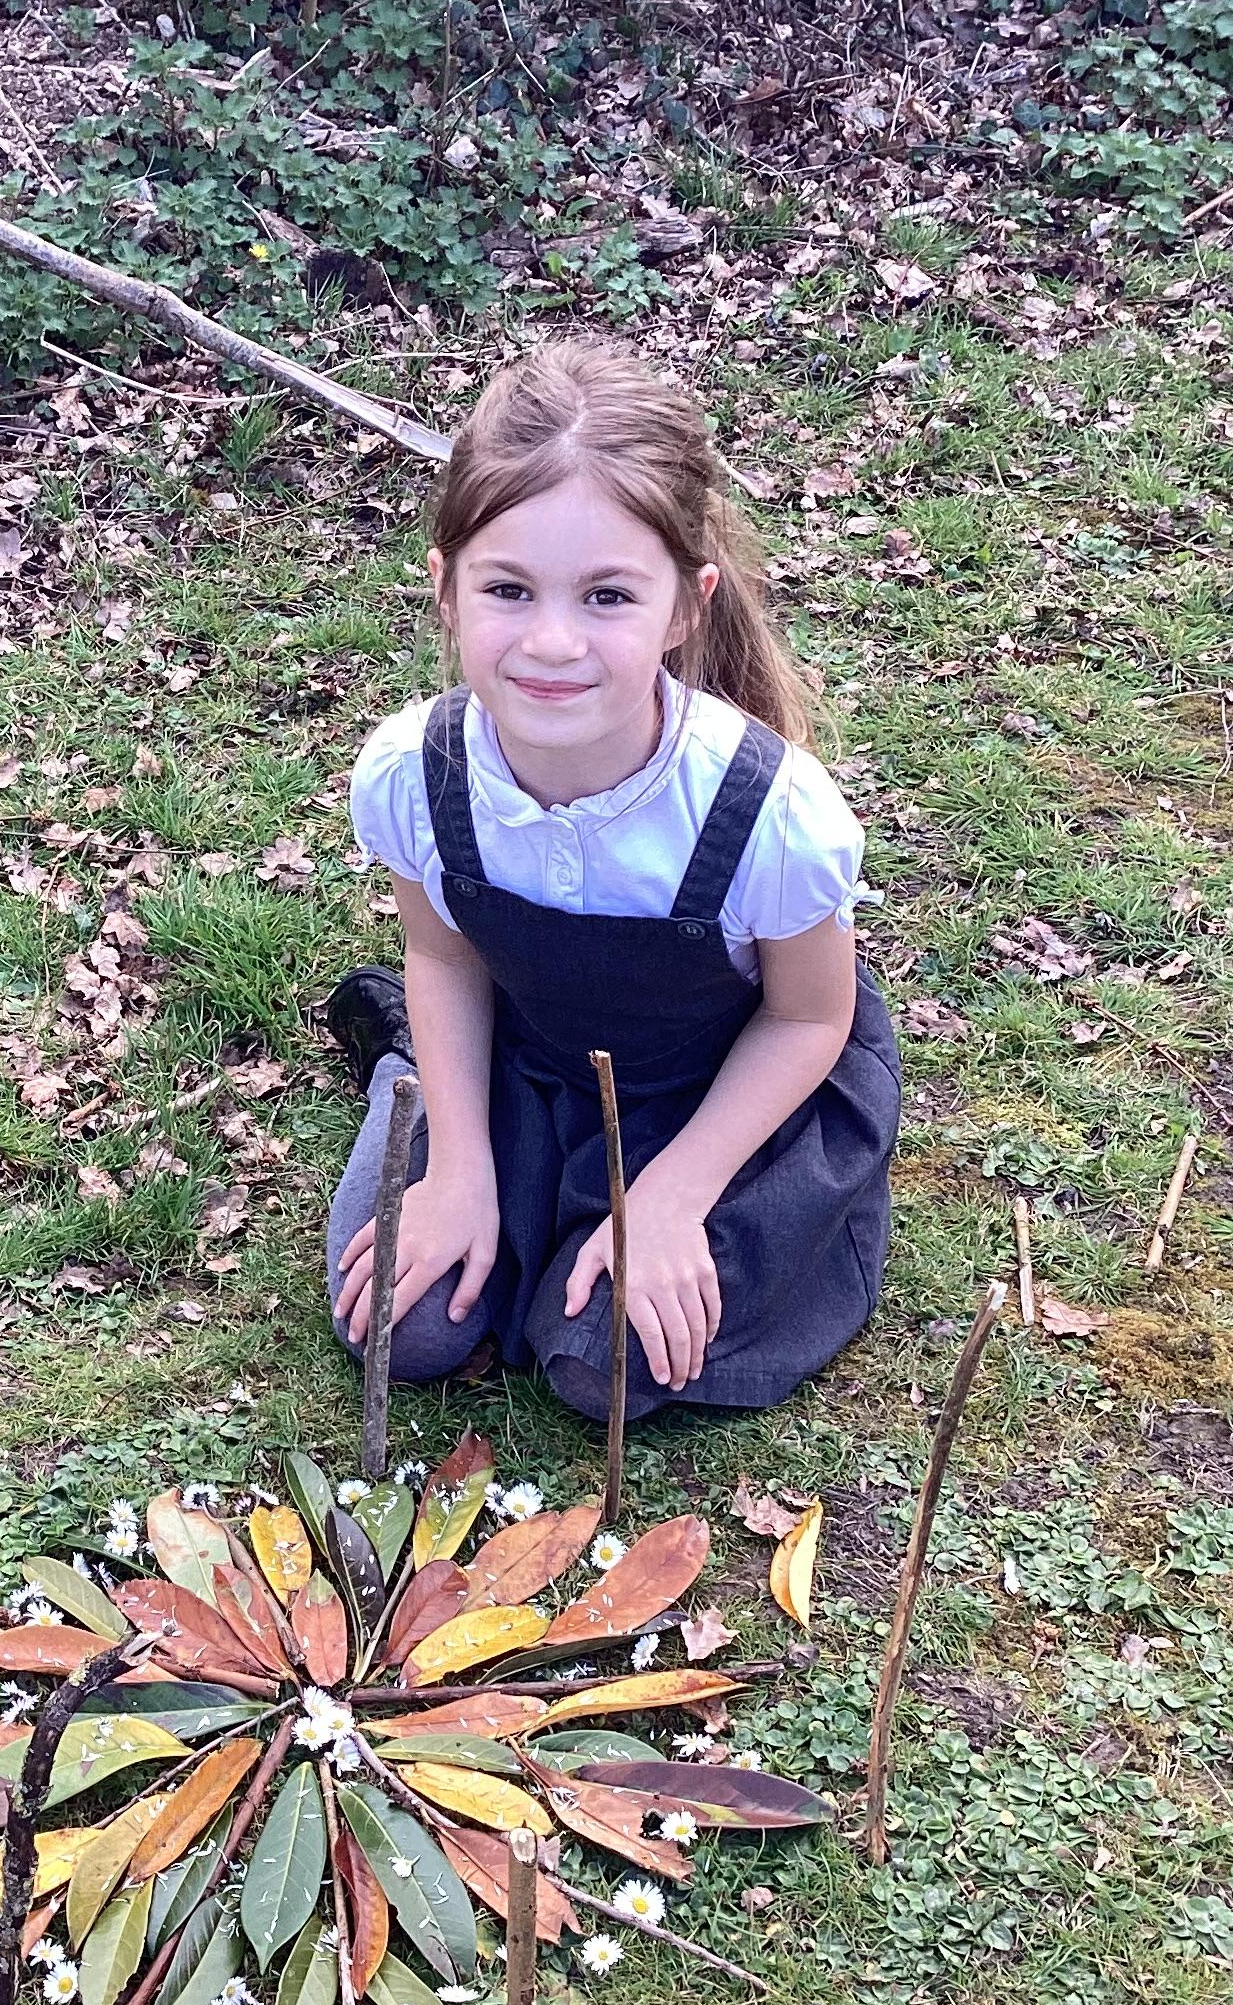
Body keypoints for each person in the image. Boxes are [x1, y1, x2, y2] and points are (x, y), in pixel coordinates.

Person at [325, 339, 899, 1424]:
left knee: (610, 1368)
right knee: (406, 1330)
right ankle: (416, 1081)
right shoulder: (415, 773)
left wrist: (673, 1200)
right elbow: (443, 955)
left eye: (606, 596)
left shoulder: (769, 814)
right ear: (446, 591)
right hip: (526, 1063)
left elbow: (810, 1020)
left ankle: (658, 1215)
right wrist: (459, 1170)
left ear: (685, 606)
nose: (553, 643)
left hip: (718, 1098)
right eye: (508, 589)